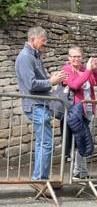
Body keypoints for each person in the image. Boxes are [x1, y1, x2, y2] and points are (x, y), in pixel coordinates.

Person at [15, 26, 68, 182]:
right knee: (46, 143)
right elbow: (31, 84)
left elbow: (39, 80)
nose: (45, 43)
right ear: (33, 39)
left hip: (40, 104)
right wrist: (51, 81)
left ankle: (39, 179)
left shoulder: (35, 55)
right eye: (43, 40)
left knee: (43, 142)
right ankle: (40, 179)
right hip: (35, 105)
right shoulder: (26, 57)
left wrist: (52, 78)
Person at [62, 45, 97, 180]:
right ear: (69, 58)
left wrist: (94, 70)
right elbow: (74, 85)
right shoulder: (67, 69)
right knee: (81, 140)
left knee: (84, 139)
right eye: (73, 56)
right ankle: (79, 171)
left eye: (78, 56)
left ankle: (81, 171)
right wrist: (88, 71)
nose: (76, 59)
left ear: (82, 57)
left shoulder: (86, 70)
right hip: (76, 111)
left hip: (89, 109)